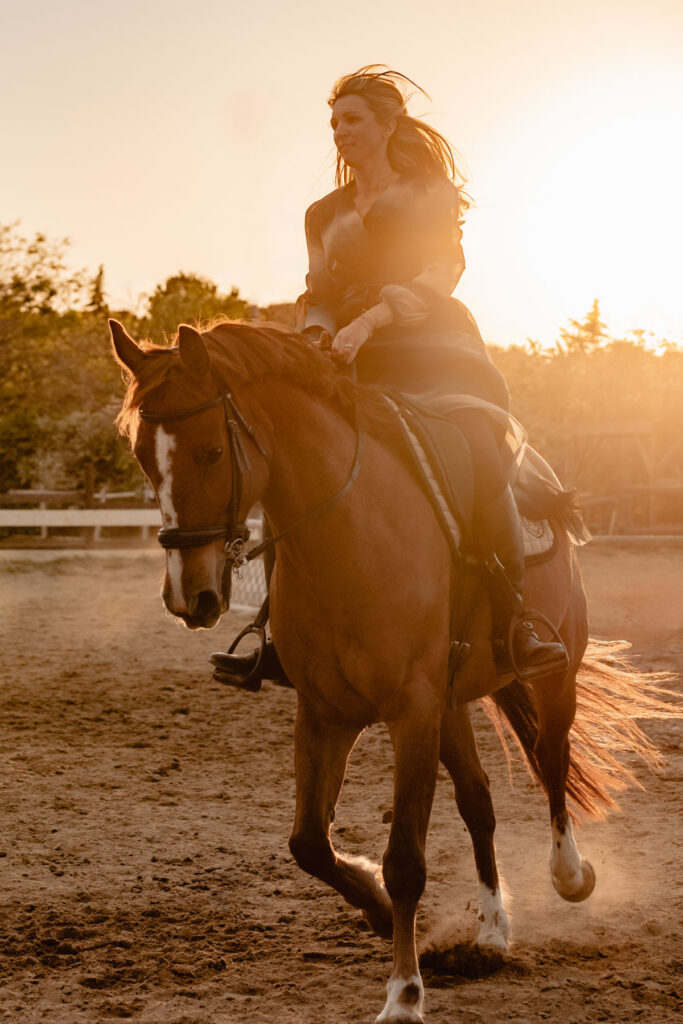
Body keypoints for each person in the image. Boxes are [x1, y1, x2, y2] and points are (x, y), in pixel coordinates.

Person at [212, 66, 567, 688]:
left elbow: (439, 273)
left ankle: (518, 616)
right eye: (334, 122)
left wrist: (371, 320)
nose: (339, 132)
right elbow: (318, 291)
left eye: (351, 121)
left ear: (387, 125)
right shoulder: (321, 213)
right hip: (350, 357)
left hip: (435, 348)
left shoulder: (429, 193)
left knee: (479, 448)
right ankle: (274, 630)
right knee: (289, 456)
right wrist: (320, 334)